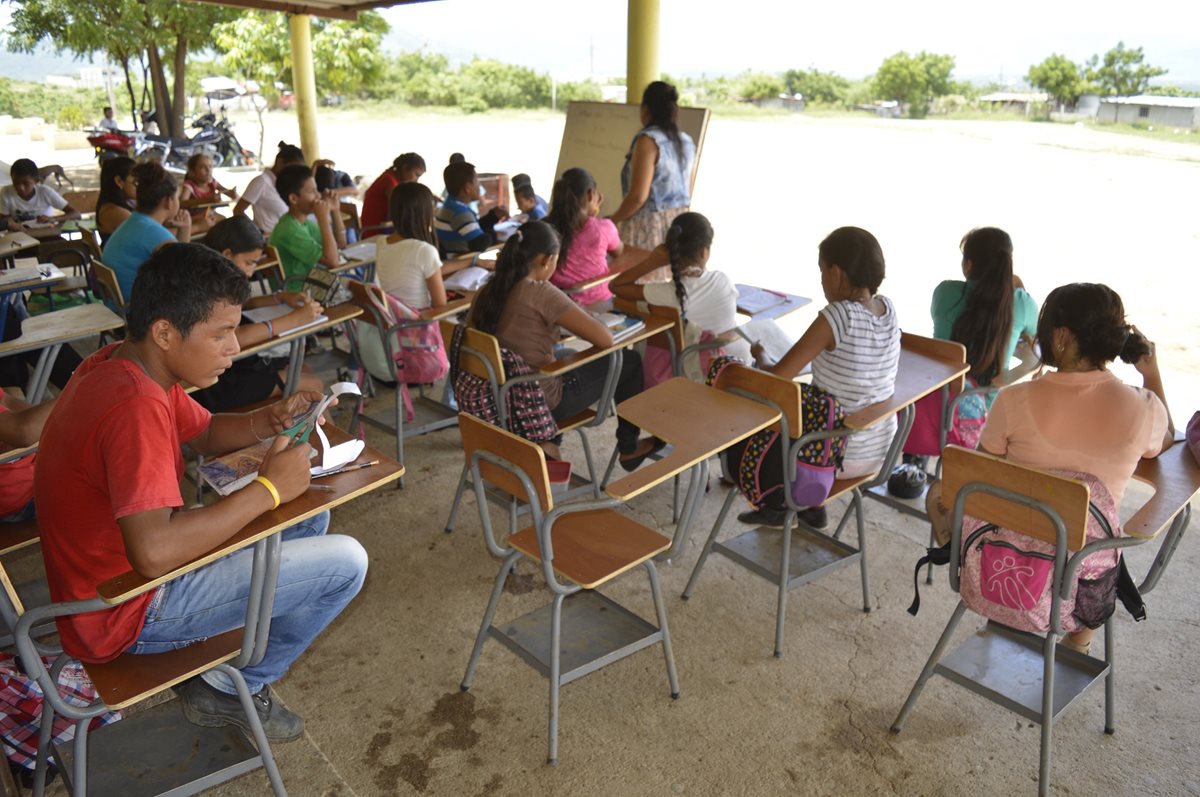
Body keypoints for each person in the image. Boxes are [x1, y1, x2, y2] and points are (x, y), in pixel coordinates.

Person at [34, 244, 368, 741]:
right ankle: (230, 686)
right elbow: (153, 553)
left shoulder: (126, 366)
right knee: (347, 563)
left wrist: (270, 418)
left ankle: (224, 655)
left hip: (119, 586)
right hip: (128, 611)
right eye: (221, 334)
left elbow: (207, 432)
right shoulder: (133, 408)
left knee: (307, 516)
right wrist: (269, 489)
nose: (235, 347)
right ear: (165, 332)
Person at [935, 282, 1172, 654]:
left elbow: (977, 476)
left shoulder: (1014, 401)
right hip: (1079, 592)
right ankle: (1079, 641)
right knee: (1091, 538)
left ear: (1060, 337)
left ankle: (973, 569)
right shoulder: (1143, 408)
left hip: (998, 572)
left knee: (942, 491)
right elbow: (1167, 440)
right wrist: (1151, 373)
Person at [736, 226, 901, 530]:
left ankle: (776, 505)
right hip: (880, 448)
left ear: (837, 273)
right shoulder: (887, 309)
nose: (822, 279)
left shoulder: (837, 316)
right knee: (809, 408)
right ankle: (813, 507)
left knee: (743, 422)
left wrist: (760, 358)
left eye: (822, 271)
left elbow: (779, 378)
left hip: (833, 455)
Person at [467, 220, 661, 467]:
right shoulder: (539, 291)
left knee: (566, 352)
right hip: (538, 402)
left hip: (500, 398)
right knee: (628, 361)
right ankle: (629, 447)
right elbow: (605, 339)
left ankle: (547, 445)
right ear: (547, 260)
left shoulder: (487, 291)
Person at [900, 227, 1041, 467]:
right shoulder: (1021, 304)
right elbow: (1037, 347)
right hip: (982, 414)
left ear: (968, 264)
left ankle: (914, 460)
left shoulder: (945, 293)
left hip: (934, 401)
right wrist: (1016, 287)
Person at [193, 215, 324, 412]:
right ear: (227, 254)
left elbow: (242, 305)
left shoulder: (207, 276)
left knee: (301, 369)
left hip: (226, 369)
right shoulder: (211, 289)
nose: (252, 271)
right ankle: (321, 439)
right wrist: (294, 319)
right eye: (249, 262)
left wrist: (279, 298)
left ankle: (313, 438)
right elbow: (233, 337)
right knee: (313, 386)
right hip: (217, 385)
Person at [611, 211, 750, 382]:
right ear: (705, 252)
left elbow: (616, 286)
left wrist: (651, 262)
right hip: (731, 370)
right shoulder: (723, 281)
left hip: (686, 375)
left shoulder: (664, 293)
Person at [608, 81, 697, 276]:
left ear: (645, 109)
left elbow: (638, 197)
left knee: (640, 290)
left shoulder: (648, 140)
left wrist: (612, 220)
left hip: (649, 228)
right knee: (669, 289)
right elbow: (687, 190)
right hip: (680, 224)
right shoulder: (686, 141)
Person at [102, 161, 191, 301]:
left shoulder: (135, 222)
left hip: (120, 308)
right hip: (141, 312)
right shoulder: (156, 235)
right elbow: (185, 278)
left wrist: (185, 229)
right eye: (177, 197)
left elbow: (181, 262)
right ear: (169, 201)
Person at [545, 168, 623, 308]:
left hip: (554, 300)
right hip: (597, 303)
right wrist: (594, 214)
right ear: (590, 195)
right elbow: (619, 252)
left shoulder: (545, 226)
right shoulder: (603, 228)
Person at [268, 164, 346, 290]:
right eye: (312, 191)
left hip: (311, 282)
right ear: (293, 198)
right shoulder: (289, 229)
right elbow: (333, 262)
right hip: (297, 290)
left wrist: (335, 211)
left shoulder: (305, 223)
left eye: (317, 190)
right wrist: (323, 219)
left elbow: (341, 245)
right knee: (360, 291)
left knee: (359, 287)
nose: (318, 196)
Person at [376, 182, 446, 311]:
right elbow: (440, 306)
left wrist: (471, 261)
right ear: (425, 213)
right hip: (420, 324)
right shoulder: (424, 250)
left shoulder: (382, 242)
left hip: (394, 321)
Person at [0, 390, 55, 523]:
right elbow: (23, 431)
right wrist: (77, 388)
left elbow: (7, 400)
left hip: (34, 477)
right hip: (16, 502)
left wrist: (41, 423)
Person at [435, 160, 507, 257]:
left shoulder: (450, 205)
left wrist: (493, 216)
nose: (479, 186)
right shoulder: (459, 212)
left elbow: (472, 228)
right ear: (467, 187)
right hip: (457, 265)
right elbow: (480, 243)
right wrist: (498, 235)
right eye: (476, 182)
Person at [234, 141, 305, 235]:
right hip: (270, 239)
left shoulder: (287, 183)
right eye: (292, 169)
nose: (294, 174)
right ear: (280, 163)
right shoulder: (262, 182)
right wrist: (257, 231)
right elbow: (238, 210)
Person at [0, 158, 81, 232]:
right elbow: (4, 219)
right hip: (19, 235)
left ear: (36, 181)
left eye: (26, 183)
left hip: (45, 233)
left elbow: (76, 214)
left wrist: (53, 219)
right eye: (16, 183)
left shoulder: (45, 192)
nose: (20, 187)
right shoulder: (6, 192)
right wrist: (12, 224)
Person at [361, 153, 425, 236]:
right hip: (375, 231)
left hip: (377, 228)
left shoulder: (390, 175)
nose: (416, 180)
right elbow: (398, 212)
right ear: (405, 168)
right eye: (416, 175)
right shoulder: (390, 182)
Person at [180, 153, 238, 234]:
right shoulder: (189, 186)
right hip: (193, 218)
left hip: (210, 215)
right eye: (202, 167)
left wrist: (232, 194)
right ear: (192, 172)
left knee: (226, 222)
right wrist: (205, 200)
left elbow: (227, 192)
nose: (208, 170)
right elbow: (182, 204)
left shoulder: (212, 182)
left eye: (210, 166)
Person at [95, 155, 137, 246]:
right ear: (119, 181)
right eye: (135, 182)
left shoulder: (124, 203)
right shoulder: (116, 212)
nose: (141, 187)